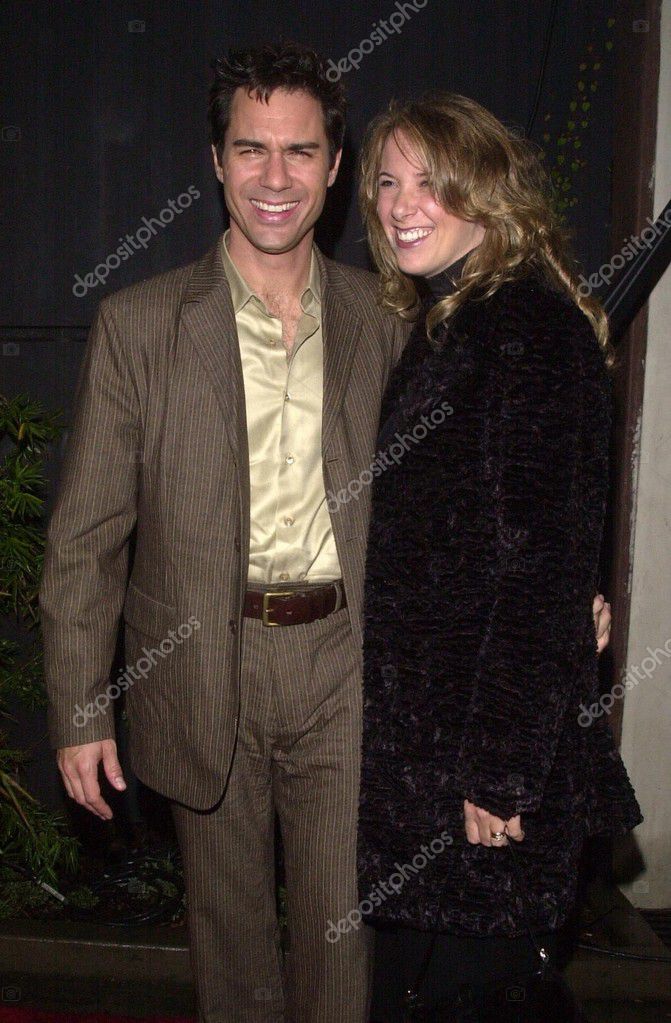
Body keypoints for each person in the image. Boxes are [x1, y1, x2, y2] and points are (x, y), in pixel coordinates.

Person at [38, 46, 612, 1022]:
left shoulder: (392, 317)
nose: (275, 176)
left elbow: (481, 492)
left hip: (351, 671)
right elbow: (86, 538)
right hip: (198, 666)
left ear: (334, 166)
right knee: (228, 947)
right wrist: (82, 706)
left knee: (348, 946)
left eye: (300, 151)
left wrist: (560, 599)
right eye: (250, 149)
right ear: (215, 160)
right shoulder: (138, 325)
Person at [355, 93, 642, 1020]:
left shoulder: (530, 331)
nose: (401, 204)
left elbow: (543, 571)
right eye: (386, 182)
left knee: (482, 994)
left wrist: (499, 772)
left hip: (480, 777)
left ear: (487, 193)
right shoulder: (452, 322)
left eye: (430, 182)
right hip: (428, 766)